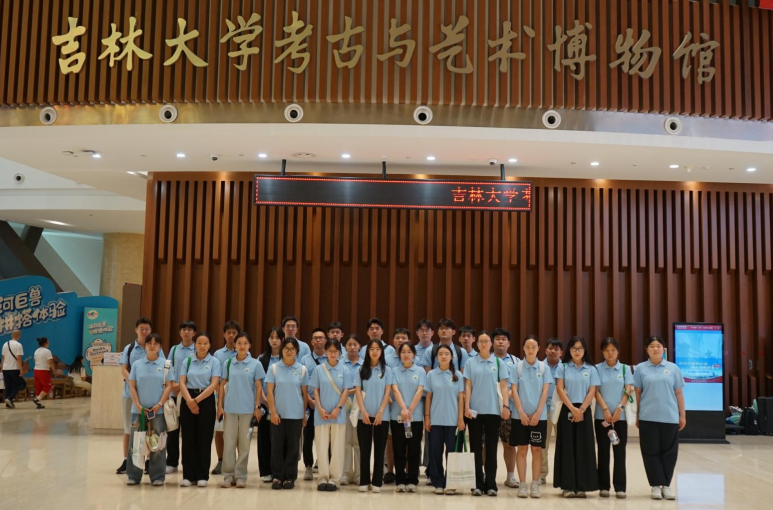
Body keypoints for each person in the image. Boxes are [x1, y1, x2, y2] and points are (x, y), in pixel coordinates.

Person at [634, 335, 686, 501]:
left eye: (658, 346)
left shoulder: (673, 368)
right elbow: (638, 393)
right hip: (647, 416)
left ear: (664, 349)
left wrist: (682, 415)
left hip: (669, 416)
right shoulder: (641, 369)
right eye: (652, 346)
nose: (655, 349)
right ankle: (656, 485)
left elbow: (679, 392)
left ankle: (667, 485)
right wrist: (637, 414)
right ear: (647, 350)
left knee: (669, 452)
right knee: (650, 452)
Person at [463, 331, 510, 496]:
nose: (483, 344)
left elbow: (504, 386)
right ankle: (476, 484)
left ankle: (491, 484)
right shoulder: (470, 362)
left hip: (493, 411)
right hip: (475, 411)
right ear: (477, 344)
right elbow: (467, 385)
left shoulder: (498, 362)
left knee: (491, 448)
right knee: (475, 448)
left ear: (491, 344)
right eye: (481, 341)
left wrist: (506, 405)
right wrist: (466, 407)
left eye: (486, 341)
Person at [554, 336, 600, 498]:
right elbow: (560, 389)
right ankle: (567, 486)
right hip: (567, 409)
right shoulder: (563, 367)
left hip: (584, 411)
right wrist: (572, 409)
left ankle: (582, 486)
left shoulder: (591, 369)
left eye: (580, 348)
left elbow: (592, 391)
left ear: (584, 350)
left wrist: (581, 410)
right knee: (567, 448)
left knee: (583, 449)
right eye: (574, 348)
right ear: (569, 350)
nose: (577, 351)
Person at [126, 333, 174, 486]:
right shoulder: (136, 365)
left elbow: (169, 386)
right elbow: (132, 386)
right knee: (136, 443)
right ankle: (133, 475)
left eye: (155, 343)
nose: (152, 346)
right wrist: (137, 404)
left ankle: (157, 476)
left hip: (158, 412)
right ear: (145, 346)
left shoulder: (166, 365)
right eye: (149, 343)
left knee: (158, 444)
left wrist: (159, 403)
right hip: (138, 411)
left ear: (160, 347)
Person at [218, 332, 265, 489]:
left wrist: (257, 407)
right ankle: (228, 475)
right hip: (230, 410)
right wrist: (220, 406)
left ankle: (240, 476)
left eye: (245, 343)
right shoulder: (228, 363)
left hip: (248, 410)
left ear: (250, 345)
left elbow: (258, 387)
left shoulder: (255, 364)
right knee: (229, 443)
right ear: (235, 345)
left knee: (244, 445)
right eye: (239, 343)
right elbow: (222, 385)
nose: (242, 346)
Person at [510, 335, 553, 499]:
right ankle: (522, 484)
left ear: (538, 349)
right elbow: (514, 391)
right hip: (519, 416)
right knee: (521, 449)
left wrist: (538, 413)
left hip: (539, 417)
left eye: (533, 347)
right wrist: (521, 412)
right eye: (527, 347)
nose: (530, 350)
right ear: (523, 348)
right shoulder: (517, 367)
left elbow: (545, 392)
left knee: (536, 450)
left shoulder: (544, 368)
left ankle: (535, 483)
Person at [266, 337, 310, 490]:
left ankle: (290, 477)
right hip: (277, 415)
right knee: (276, 446)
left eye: (292, 349)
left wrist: (303, 415)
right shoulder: (274, 368)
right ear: (281, 350)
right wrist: (273, 412)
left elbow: (305, 395)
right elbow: (269, 392)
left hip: (296, 415)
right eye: (286, 348)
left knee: (293, 447)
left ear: (297, 351)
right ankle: (277, 476)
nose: (289, 351)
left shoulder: (302, 370)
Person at [178, 332, 221, 487]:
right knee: (188, 438)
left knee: (204, 438)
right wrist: (190, 401)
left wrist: (196, 401)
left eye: (205, 343)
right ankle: (188, 475)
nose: (202, 346)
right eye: (199, 343)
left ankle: (202, 475)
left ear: (210, 345)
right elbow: (182, 382)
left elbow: (214, 384)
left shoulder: (214, 361)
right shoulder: (188, 361)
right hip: (187, 399)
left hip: (206, 400)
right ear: (195, 345)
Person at [594, 337, 634, 499]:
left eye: (613, 350)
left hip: (620, 418)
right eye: (606, 350)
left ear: (618, 351)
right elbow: (595, 391)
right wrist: (605, 409)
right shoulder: (596, 369)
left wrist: (619, 409)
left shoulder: (625, 369)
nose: (610, 353)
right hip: (601, 416)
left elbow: (628, 390)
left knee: (620, 452)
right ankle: (603, 486)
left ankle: (620, 487)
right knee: (603, 452)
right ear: (602, 352)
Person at [309, 339, 352, 491]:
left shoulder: (345, 370)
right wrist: (319, 408)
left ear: (340, 353)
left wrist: (338, 408)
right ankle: (322, 477)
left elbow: (346, 391)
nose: (333, 354)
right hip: (321, 414)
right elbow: (315, 390)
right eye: (330, 351)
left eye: (336, 351)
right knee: (321, 447)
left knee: (337, 447)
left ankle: (335, 479)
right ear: (325, 352)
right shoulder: (318, 369)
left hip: (338, 415)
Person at [353, 339, 394, 493]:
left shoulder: (387, 370)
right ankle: (364, 480)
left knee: (379, 450)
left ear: (382, 351)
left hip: (381, 416)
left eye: (378, 349)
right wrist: (363, 411)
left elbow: (387, 393)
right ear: (367, 351)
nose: (375, 351)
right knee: (365, 450)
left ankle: (377, 481)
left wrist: (381, 411)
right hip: (363, 415)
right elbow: (358, 392)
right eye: (372, 349)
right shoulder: (361, 370)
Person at [424, 344, 465, 495]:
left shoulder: (458, 375)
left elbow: (460, 398)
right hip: (435, 421)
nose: (443, 356)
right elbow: (428, 397)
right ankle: (438, 482)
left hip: (453, 421)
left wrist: (460, 419)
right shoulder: (431, 375)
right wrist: (427, 418)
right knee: (435, 452)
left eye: (446, 354)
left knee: (453, 453)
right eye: (440, 354)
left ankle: (451, 482)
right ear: (436, 357)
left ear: (451, 357)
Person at [117, 318, 155, 475]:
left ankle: (149, 461)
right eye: (141, 329)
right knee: (129, 428)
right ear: (136, 330)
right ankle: (127, 460)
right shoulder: (129, 348)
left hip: (150, 395)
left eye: (147, 329)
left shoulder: (155, 347)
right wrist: (134, 382)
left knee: (150, 428)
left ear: (150, 330)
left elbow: (161, 367)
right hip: (129, 394)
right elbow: (123, 369)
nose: (144, 331)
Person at [390, 342, 426, 493]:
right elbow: (395, 390)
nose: (406, 355)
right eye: (403, 352)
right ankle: (399, 480)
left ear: (414, 355)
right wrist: (404, 409)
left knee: (414, 449)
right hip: (397, 415)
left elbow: (420, 391)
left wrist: (410, 410)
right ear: (399, 355)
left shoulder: (421, 371)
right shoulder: (393, 371)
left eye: (409, 352)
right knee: (398, 449)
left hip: (415, 416)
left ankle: (412, 480)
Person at [165, 320, 197, 474]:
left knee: (188, 431)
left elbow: (197, 371)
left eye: (190, 329)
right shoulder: (174, 349)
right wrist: (174, 385)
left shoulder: (197, 349)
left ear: (194, 333)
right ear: (179, 332)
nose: (186, 332)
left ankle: (188, 462)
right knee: (172, 429)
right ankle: (172, 462)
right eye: (184, 329)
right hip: (173, 394)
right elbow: (168, 368)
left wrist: (181, 386)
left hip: (188, 396)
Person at [211, 320, 240, 475]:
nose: (231, 335)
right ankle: (221, 461)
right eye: (228, 332)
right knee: (220, 430)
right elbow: (215, 377)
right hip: (221, 397)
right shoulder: (218, 354)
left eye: (234, 333)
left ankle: (237, 463)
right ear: (223, 335)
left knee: (237, 431)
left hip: (238, 398)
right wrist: (220, 397)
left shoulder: (244, 352)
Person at [492, 327, 520, 488]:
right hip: (489, 408)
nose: (500, 342)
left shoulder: (516, 362)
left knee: (509, 443)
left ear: (509, 343)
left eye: (503, 339)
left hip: (509, 409)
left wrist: (506, 398)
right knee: (486, 444)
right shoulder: (487, 360)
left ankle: (510, 476)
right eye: (497, 339)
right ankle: (486, 475)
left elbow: (518, 383)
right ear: (492, 342)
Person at [257, 327, 284, 483]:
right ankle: (266, 471)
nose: (274, 340)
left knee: (280, 439)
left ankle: (279, 470)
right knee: (264, 438)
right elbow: (258, 383)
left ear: (282, 340)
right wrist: (266, 401)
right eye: (271, 337)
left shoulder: (286, 358)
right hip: (265, 405)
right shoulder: (261, 359)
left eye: (277, 337)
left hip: (282, 404)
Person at [300, 328, 328, 480]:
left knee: (325, 438)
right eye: (315, 338)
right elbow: (302, 383)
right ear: (311, 341)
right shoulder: (305, 360)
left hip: (326, 405)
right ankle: (308, 467)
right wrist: (310, 401)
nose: (318, 340)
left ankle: (324, 466)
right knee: (308, 436)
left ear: (325, 340)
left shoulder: (331, 358)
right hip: (310, 404)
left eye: (321, 337)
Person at [540, 337, 563, 484]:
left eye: (556, 349)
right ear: (545, 350)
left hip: (561, 411)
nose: (553, 351)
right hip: (543, 411)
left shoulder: (566, 367)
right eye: (550, 348)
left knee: (563, 445)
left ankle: (562, 475)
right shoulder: (539, 366)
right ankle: (542, 474)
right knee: (542, 445)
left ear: (561, 352)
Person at [341, 334, 363, 486]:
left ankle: (360, 474)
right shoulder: (340, 364)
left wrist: (354, 391)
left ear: (360, 346)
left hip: (360, 407)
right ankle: (346, 473)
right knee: (346, 441)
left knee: (359, 442)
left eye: (355, 344)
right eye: (349, 344)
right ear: (345, 347)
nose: (352, 347)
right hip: (344, 406)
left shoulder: (365, 364)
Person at [2, 330, 27, 409]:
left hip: (6, 368)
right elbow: (18, 358)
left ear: (11, 335)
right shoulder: (18, 345)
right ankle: (9, 399)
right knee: (18, 384)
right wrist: (21, 369)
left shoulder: (5, 344)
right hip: (14, 368)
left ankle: (8, 404)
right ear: (19, 336)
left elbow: (3, 357)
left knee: (8, 386)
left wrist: (3, 367)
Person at [32, 337, 55, 409]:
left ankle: (38, 403)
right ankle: (37, 399)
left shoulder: (36, 351)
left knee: (38, 387)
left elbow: (34, 361)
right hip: (43, 370)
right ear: (46, 343)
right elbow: (50, 362)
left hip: (36, 370)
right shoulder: (47, 351)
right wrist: (54, 370)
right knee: (48, 385)